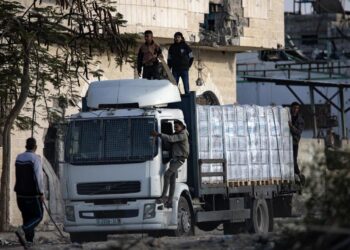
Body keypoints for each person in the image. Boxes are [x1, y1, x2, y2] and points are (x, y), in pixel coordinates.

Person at [151, 120, 189, 208]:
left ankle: (164, 197)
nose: (175, 129)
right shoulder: (177, 133)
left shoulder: (182, 135)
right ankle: (170, 200)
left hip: (179, 160)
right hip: (174, 159)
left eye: (177, 127)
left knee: (166, 175)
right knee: (172, 181)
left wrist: (159, 134)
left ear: (182, 126)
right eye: (174, 127)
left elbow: (171, 139)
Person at [14, 138, 44, 247]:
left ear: (26, 146)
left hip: (19, 194)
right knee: (38, 216)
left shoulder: (19, 157)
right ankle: (23, 230)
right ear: (35, 147)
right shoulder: (35, 159)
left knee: (27, 217)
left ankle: (29, 241)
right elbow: (39, 177)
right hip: (32, 194)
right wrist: (41, 193)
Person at [288, 102, 305, 182]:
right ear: (291, 108)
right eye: (294, 108)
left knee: (293, 159)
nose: (295, 110)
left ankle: (298, 174)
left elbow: (298, 132)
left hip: (294, 142)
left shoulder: (300, 120)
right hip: (286, 143)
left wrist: (291, 127)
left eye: (297, 108)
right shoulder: (288, 117)